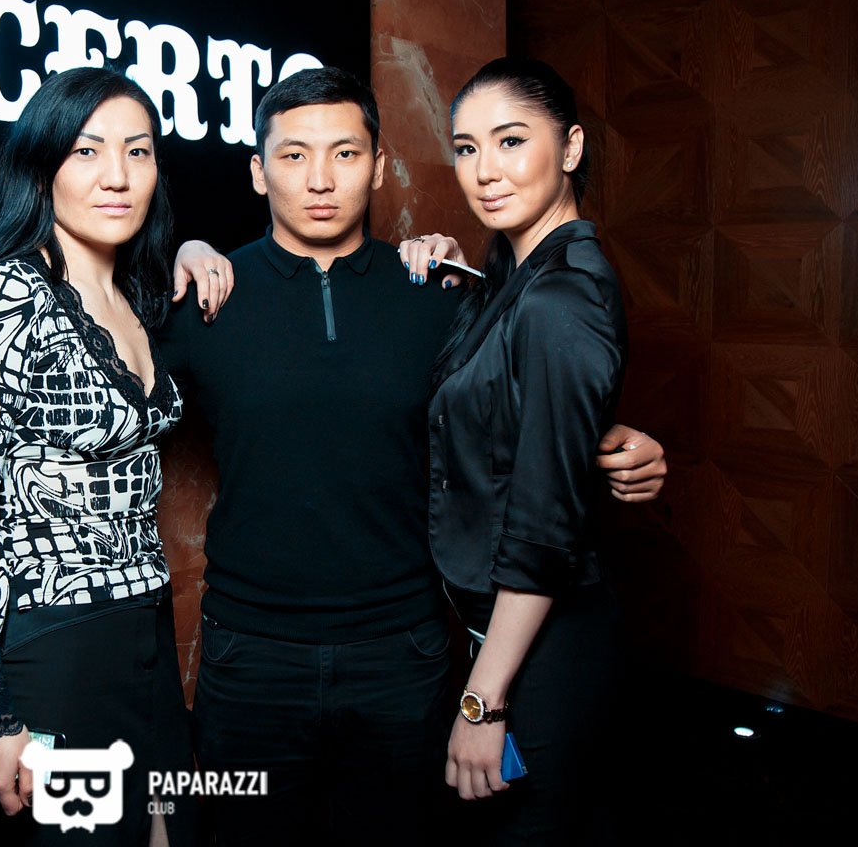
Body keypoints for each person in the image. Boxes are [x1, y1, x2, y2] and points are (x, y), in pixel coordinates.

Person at [159, 67, 665, 845]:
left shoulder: (439, 290)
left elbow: (519, 401)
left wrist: (608, 440)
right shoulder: (204, 298)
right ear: (258, 172)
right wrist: (182, 249)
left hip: (404, 653)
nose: (320, 180)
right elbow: (99, 401)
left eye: (345, 154)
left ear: (379, 165)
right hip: (250, 656)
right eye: (293, 156)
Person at [0, 66, 222, 845]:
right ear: (42, 166)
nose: (117, 175)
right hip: (55, 645)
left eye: (138, 151)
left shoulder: (138, 296)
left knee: (172, 831)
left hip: (147, 628)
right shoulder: (8, 295)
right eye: (88, 151)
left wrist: (192, 248)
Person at [429, 57, 626, 844]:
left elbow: (546, 524)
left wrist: (484, 701)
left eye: (511, 140)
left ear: (570, 147)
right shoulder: (511, 277)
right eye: (466, 148)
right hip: (507, 638)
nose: (485, 170)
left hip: (542, 648)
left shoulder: (559, 295)